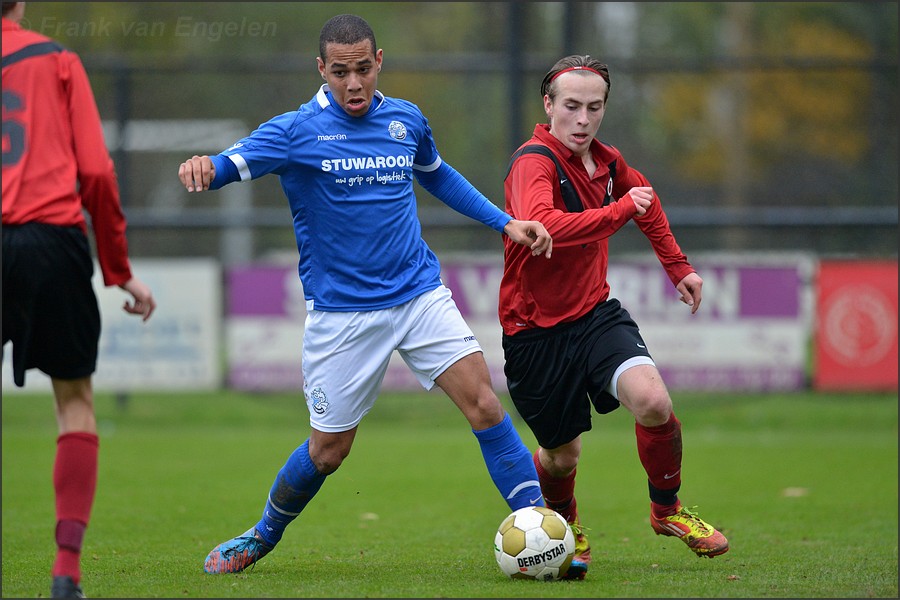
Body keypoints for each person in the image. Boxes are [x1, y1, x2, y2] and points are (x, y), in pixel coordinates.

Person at [177, 14, 553, 575]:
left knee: (484, 404)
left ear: (378, 63)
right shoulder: (295, 130)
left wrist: (504, 222)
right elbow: (234, 163)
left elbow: (437, 173)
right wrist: (206, 166)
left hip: (418, 294)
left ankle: (543, 535)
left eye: (362, 70)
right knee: (329, 451)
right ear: (322, 70)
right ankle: (262, 534)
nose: (353, 84)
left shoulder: (405, 119)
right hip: (343, 316)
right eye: (340, 72)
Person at [499, 55, 730, 580]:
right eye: (572, 106)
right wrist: (622, 210)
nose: (583, 119)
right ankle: (565, 524)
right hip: (533, 332)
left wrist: (679, 268)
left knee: (652, 401)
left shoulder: (606, 161)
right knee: (561, 457)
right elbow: (548, 227)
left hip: (597, 314)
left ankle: (667, 511)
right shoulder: (532, 163)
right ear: (548, 106)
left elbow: (646, 201)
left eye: (594, 107)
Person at [1, 3, 157, 598]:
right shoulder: (57, 60)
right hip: (52, 241)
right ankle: (66, 571)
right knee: (73, 402)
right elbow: (95, 172)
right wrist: (118, 271)